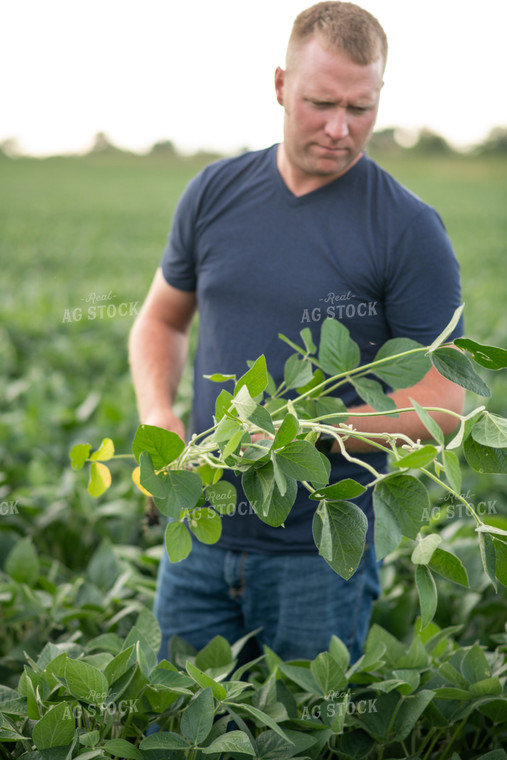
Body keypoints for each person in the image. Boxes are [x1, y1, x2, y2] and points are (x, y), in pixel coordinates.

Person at [129, 1, 465, 665]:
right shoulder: (213, 192)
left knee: (305, 732)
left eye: (359, 108)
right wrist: (157, 413)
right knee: (178, 715)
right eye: (319, 102)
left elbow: (441, 403)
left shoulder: (406, 228)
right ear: (281, 85)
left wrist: (303, 433)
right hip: (197, 533)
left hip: (318, 554)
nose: (340, 129)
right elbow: (160, 320)